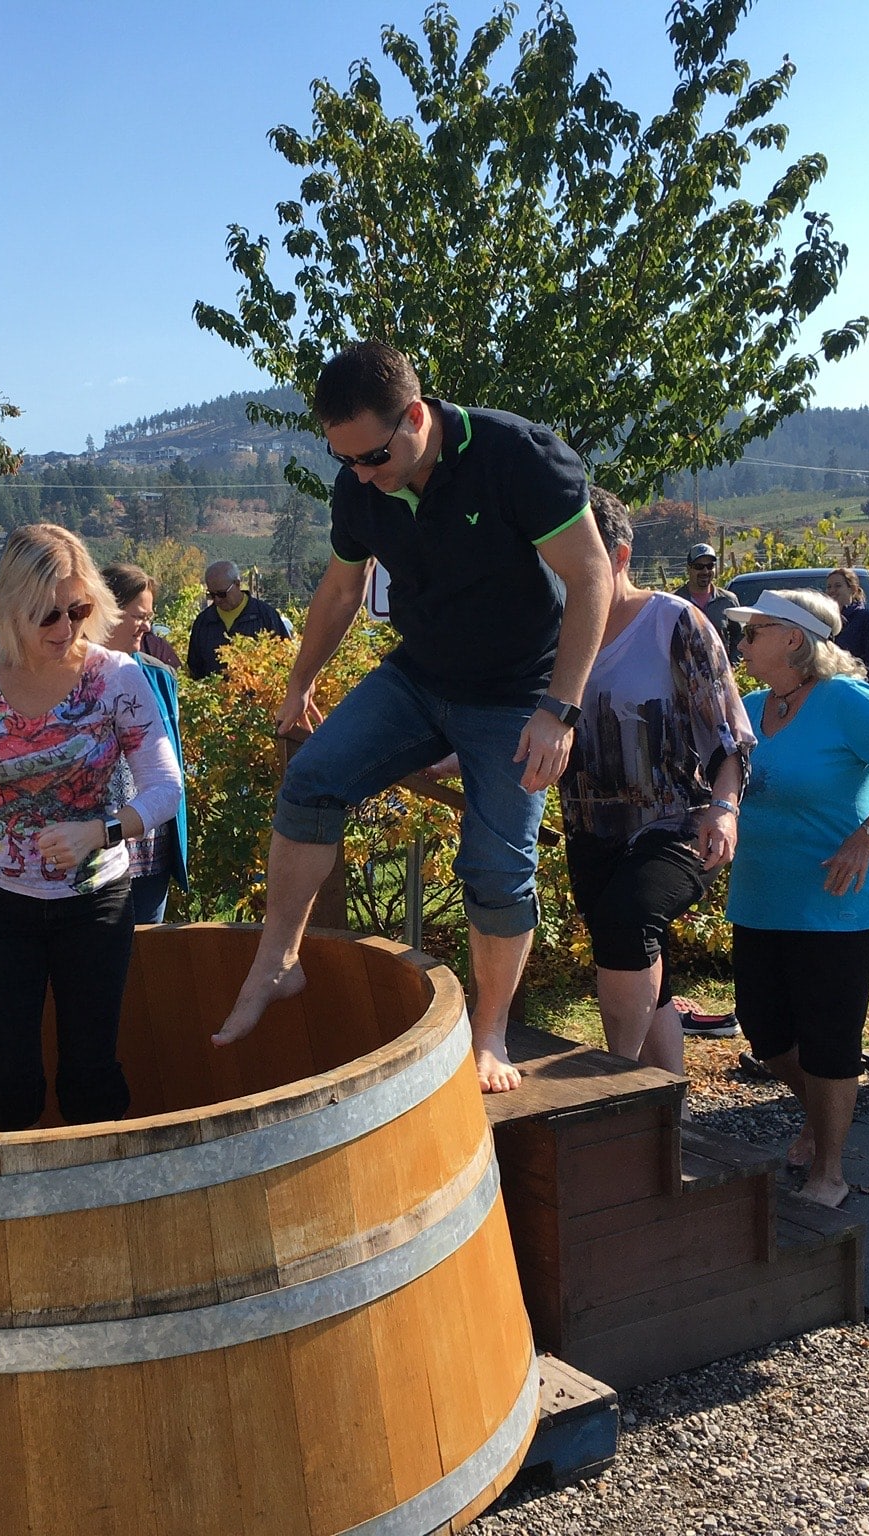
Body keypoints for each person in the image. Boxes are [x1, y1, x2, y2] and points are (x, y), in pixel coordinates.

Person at [212, 339, 615, 1092]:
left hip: (515, 694)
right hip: (419, 675)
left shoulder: (521, 456)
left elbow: (590, 578)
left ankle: (491, 1037)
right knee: (311, 782)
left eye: (371, 456)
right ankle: (280, 960)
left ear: (417, 417)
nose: (362, 474)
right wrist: (300, 681)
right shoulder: (358, 484)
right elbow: (340, 591)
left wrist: (559, 710)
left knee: (496, 870)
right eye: (346, 461)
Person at [0, 523, 182, 1130]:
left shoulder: (115, 677)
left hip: (97, 900)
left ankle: (100, 1202)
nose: (67, 629)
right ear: (10, 609)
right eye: (48, 614)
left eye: (79, 609)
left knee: (92, 1070)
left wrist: (103, 831)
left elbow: (164, 787)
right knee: (8, 1075)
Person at [725, 589, 869, 1207]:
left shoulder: (847, 701)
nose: (741, 643)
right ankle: (822, 1118)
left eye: (753, 632)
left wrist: (867, 836)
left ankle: (830, 1169)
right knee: (766, 1035)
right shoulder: (749, 706)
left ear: (793, 639)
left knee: (828, 1038)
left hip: (831, 901)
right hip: (760, 896)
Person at [560, 491, 753, 1074]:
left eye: (576, 556)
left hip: (675, 823)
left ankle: (614, 1087)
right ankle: (670, 1112)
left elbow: (730, 737)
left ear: (618, 555)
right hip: (590, 827)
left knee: (627, 925)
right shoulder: (555, 630)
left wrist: (724, 809)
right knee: (644, 966)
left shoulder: (676, 623)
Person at [103, 562, 189, 923]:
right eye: (139, 616)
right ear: (107, 610)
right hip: (95, 848)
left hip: (152, 851)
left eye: (149, 616)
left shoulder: (159, 675)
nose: (148, 627)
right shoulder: (69, 677)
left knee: (148, 963)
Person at [185, 559, 291, 679]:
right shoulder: (203, 622)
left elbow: (284, 660)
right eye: (211, 595)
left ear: (237, 584)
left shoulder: (265, 616)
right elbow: (195, 669)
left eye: (221, 594)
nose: (217, 600)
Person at [673, 543, 740, 658]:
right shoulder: (675, 601)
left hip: (722, 673)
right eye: (699, 567)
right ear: (688, 569)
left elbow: (739, 637)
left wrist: (733, 665)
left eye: (710, 566)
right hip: (686, 674)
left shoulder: (728, 600)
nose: (705, 571)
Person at [824, 566, 869, 669]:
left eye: (838, 586)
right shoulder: (822, 619)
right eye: (829, 587)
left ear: (852, 589)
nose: (832, 590)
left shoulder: (866, 617)